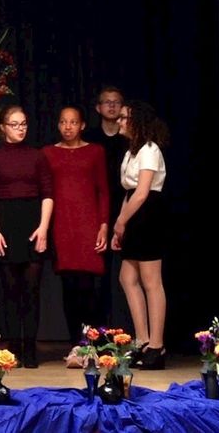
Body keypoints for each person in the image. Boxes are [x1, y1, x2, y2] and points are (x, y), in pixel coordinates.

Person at [0, 105, 53, 368]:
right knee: (10, 291)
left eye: (23, 124)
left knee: (31, 291)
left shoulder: (37, 156)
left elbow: (47, 192)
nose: (20, 128)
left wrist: (44, 227)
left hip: (33, 222)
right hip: (6, 224)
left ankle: (31, 347)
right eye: (14, 124)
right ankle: (12, 346)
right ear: (2, 127)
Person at [42, 106, 109, 349]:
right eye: (63, 122)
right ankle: (76, 345)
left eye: (73, 122)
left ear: (81, 125)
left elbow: (103, 191)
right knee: (68, 287)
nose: (68, 127)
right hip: (62, 225)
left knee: (89, 287)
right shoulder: (48, 153)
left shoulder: (95, 152)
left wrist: (103, 225)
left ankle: (92, 343)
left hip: (88, 225)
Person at [111, 100, 169, 370]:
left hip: (147, 215)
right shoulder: (132, 152)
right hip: (133, 214)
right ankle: (142, 339)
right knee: (127, 277)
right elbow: (129, 191)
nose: (120, 121)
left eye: (124, 117)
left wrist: (123, 221)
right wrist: (118, 226)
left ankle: (157, 345)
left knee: (150, 281)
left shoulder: (149, 150)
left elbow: (143, 192)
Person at [83, 86, 128, 327]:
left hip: (127, 209)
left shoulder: (128, 139)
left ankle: (126, 331)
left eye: (116, 102)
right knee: (98, 275)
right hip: (98, 211)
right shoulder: (89, 139)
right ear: (98, 108)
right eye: (107, 102)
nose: (112, 106)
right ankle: (98, 330)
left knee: (127, 274)